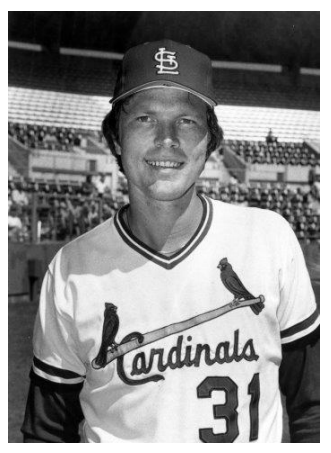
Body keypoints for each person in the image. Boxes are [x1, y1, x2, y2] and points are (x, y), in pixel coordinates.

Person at [21, 39, 319, 443]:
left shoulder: (270, 239)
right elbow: (47, 434)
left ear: (211, 141)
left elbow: (315, 409)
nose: (166, 138)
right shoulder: (71, 270)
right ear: (114, 139)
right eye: (144, 118)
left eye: (187, 120)